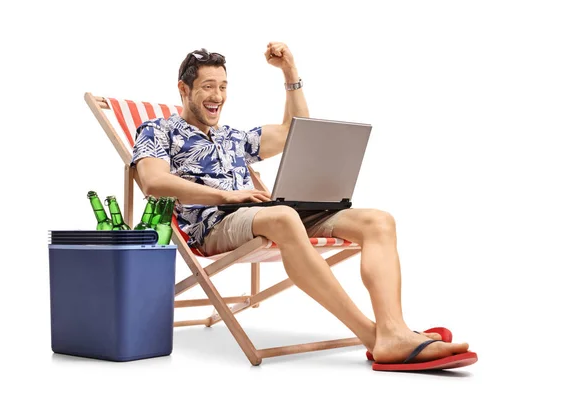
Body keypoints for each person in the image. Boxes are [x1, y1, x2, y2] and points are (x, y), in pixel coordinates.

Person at [130, 42, 477, 371]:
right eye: (208, 86)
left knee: (378, 221)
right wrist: (227, 196)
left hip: (261, 215)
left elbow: (292, 131)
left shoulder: (232, 137)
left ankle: (394, 329)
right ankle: (373, 337)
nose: (217, 96)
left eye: (223, 86)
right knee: (282, 216)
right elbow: (152, 182)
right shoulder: (159, 130)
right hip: (214, 225)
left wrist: (289, 71)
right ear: (184, 89)